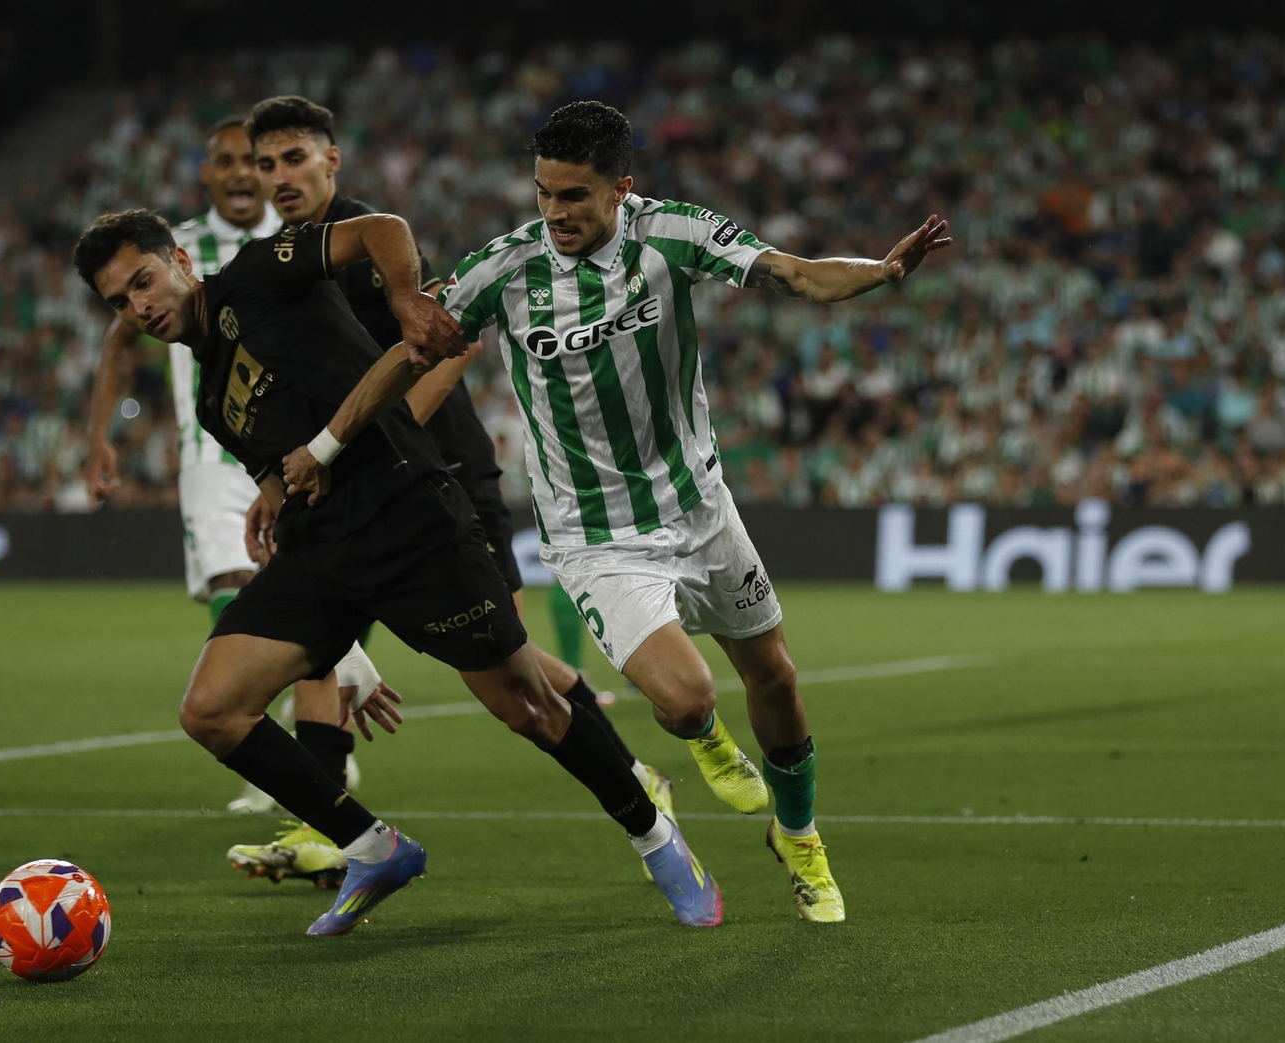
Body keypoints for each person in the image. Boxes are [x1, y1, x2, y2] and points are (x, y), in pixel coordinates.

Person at [283, 100, 952, 923]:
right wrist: (322, 450)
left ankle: (800, 837)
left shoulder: (674, 233)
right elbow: (410, 352)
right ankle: (705, 739)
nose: (555, 213)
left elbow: (797, 273)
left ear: (622, 189)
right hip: (596, 534)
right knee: (687, 699)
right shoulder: (505, 268)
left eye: (575, 197)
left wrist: (880, 273)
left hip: (701, 507)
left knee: (774, 674)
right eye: (544, 193)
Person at [71, 207, 722, 935]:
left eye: (145, 280)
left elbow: (383, 228)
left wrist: (408, 298)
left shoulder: (256, 274)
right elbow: (284, 479)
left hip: (411, 522)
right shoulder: (208, 396)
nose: (141, 305)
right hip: (321, 555)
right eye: (121, 301)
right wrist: (278, 514)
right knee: (211, 710)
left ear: (182, 260)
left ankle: (657, 838)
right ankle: (373, 849)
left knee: (527, 705)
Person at [223, 96, 673, 886]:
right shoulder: (285, 260)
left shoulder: (360, 243)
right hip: (362, 485)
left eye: (296, 158)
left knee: (510, 672)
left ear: (334, 160)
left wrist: (367, 445)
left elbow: (444, 345)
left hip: (443, 476)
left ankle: (634, 778)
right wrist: (282, 477)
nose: (279, 177)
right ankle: (325, 825)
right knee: (317, 645)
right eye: (265, 164)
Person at [82, 117, 365, 832]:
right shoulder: (164, 250)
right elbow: (120, 343)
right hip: (216, 454)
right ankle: (282, 750)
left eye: (254, 160)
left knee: (302, 596)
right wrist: (100, 440)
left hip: (299, 445)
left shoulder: (298, 232)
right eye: (227, 162)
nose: (243, 173)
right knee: (241, 589)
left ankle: (312, 763)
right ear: (207, 173)